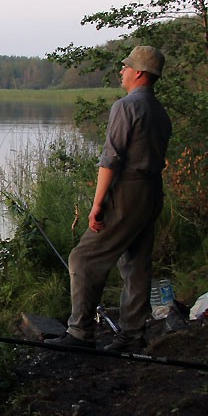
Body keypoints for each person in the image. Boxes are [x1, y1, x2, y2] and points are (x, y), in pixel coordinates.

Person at [46, 45, 172, 353]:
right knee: (136, 264)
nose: (121, 71)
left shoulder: (125, 107)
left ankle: (79, 333)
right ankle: (132, 336)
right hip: (152, 191)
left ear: (140, 73)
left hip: (128, 191)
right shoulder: (160, 111)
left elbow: (111, 159)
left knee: (83, 259)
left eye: (126, 67)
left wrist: (97, 204)